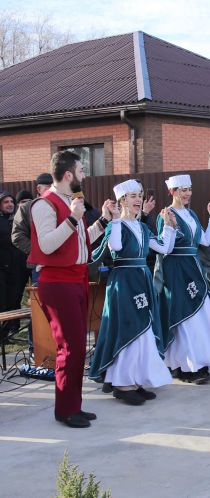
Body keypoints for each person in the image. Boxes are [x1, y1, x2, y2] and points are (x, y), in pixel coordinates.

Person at [28, 151, 115, 428]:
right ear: (68, 175)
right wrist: (73, 219)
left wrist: (102, 221)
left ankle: (73, 405)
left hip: (76, 278)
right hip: (57, 282)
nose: (84, 175)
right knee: (71, 346)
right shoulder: (44, 204)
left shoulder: (70, 202)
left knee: (78, 347)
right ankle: (65, 410)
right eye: (81, 170)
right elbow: (47, 245)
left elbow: (78, 242)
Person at [88, 180, 176, 406]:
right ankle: (122, 384)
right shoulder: (115, 226)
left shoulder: (143, 228)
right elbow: (116, 246)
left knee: (143, 330)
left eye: (140, 195)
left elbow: (164, 248)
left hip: (142, 279)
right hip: (124, 282)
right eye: (133, 196)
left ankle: (136, 380)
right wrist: (116, 219)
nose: (139, 199)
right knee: (128, 329)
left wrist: (169, 227)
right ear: (122, 200)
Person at [157, 175, 210, 385]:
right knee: (185, 318)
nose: (187, 193)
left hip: (194, 269)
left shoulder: (191, 214)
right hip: (176, 271)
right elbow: (166, 247)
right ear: (172, 192)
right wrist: (169, 226)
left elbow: (204, 241)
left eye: (189, 189)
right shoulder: (165, 214)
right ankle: (186, 366)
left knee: (203, 315)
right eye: (183, 190)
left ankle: (199, 361)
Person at [1, 192, 28, 340]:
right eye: (6, 202)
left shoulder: (17, 220)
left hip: (17, 269)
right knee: (3, 301)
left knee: (15, 300)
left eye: (11, 201)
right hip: (2, 270)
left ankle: (10, 330)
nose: (10, 204)